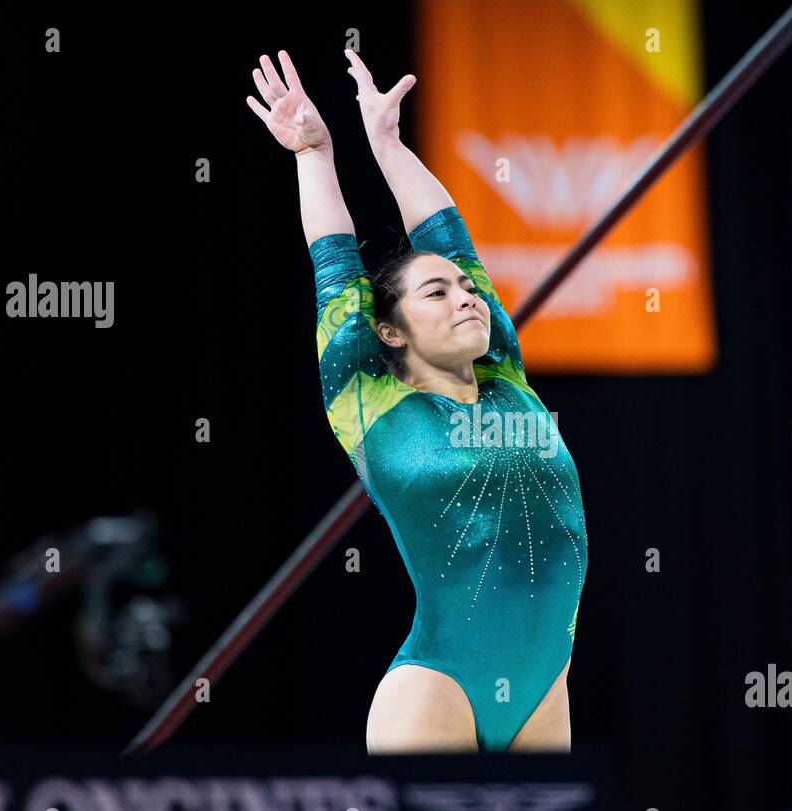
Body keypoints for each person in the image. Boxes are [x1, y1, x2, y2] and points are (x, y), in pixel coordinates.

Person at [246, 49, 588, 753]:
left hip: (543, 690)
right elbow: (335, 263)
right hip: (438, 690)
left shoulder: (508, 380)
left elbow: (451, 243)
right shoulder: (367, 403)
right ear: (389, 331)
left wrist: (389, 145)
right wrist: (315, 151)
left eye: (468, 291)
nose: (466, 295)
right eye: (438, 293)